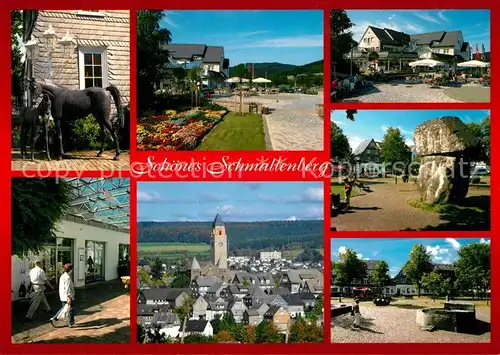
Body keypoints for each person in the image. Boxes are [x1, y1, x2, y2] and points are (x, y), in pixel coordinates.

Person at [50, 263, 75, 328]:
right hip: (67, 296)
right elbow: (67, 288)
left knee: (64, 308)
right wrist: (69, 297)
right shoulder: (67, 277)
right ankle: (70, 322)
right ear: (70, 270)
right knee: (70, 308)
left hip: (63, 295)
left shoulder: (63, 276)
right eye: (71, 269)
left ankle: (55, 319)